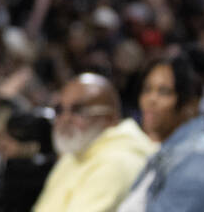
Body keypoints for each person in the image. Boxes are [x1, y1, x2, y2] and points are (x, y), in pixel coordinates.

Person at [117, 49, 204, 211]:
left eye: (164, 92)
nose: (150, 100)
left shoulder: (201, 160)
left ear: (190, 105)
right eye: (147, 89)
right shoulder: (169, 151)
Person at [31, 73, 154, 212]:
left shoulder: (117, 161)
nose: (64, 119)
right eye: (59, 110)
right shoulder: (76, 153)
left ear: (110, 118)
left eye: (78, 110)